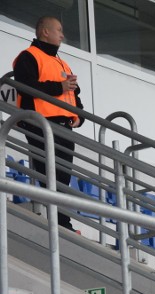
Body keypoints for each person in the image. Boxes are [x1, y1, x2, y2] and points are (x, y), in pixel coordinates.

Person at [13, 15, 85, 231]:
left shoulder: (62, 62)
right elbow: (26, 87)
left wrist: (79, 116)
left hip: (64, 126)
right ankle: (61, 224)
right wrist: (59, 88)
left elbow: (74, 95)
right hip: (40, 124)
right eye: (59, 30)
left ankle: (62, 222)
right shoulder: (28, 56)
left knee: (63, 177)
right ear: (45, 32)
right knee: (50, 175)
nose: (62, 35)